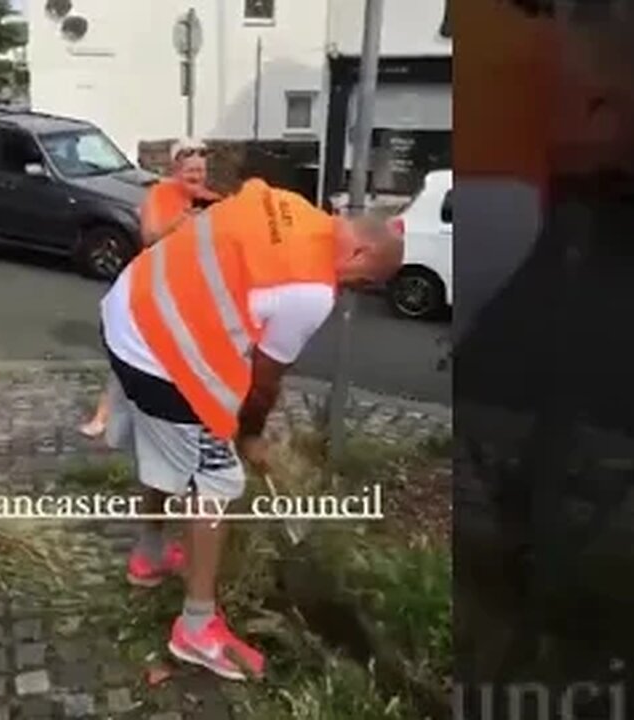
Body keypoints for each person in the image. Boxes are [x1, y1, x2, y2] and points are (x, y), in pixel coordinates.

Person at [97, 177, 405, 681]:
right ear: (360, 252)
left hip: (128, 309)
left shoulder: (286, 204)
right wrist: (249, 436)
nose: (355, 291)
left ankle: (149, 555)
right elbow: (264, 381)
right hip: (159, 356)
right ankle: (196, 629)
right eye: (365, 282)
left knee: (166, 446)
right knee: (217, 481)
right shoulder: (311, 289)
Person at [80, 137, 222, 438]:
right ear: (176, 168)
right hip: (153, 286)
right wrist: (182, 222)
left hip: (190, 292)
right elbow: (149, 238)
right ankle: (104, 415)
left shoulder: (214, 200)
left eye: (200, 172)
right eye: (190, 172)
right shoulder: (159, 195)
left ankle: (189, 416)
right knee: (132, 350)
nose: (196, 178)